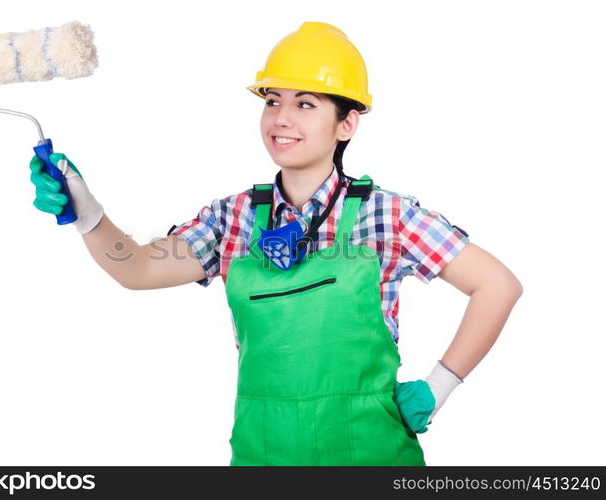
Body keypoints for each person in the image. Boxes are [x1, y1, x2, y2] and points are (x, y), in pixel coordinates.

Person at [29, 22, 523, 466]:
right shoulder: (234, 217)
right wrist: (89, 215)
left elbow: (497, 286)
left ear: (346, 124)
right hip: (264, 457)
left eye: (305, 104)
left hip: (370, 455)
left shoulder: (386, 215)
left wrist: (440, 387)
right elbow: (136, 269)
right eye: (273, 101)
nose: (282, 118)